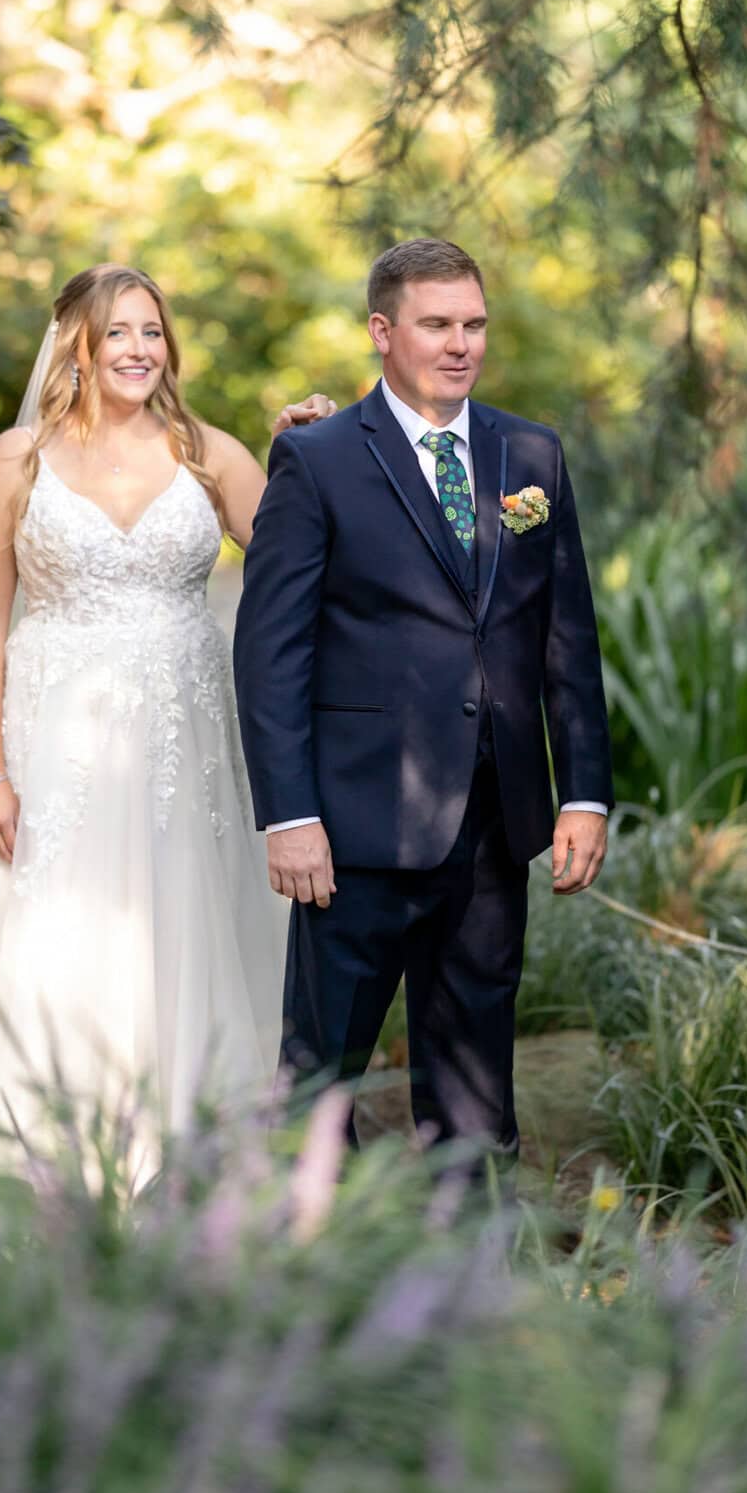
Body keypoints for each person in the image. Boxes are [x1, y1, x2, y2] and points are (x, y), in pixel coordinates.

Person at [0, 263, 333, 1170]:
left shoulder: (210, 453)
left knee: (179, 930)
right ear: (79, 350)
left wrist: (305, 452)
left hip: (188, 742)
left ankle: (174, 1159)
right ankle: (46, 1160)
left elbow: (307, 553)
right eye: (118, 334)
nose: (139, 349)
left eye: (152, 331)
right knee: (56, 934)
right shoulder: (16, 462)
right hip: (55, 738)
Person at [233, 237, 613, 1174]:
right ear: (382, 332)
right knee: (320, 1084)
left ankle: (473, 1293)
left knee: (479, 1095)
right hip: (353, 833)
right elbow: (270, 655)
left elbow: (567, 636)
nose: (460, 344)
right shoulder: (316, 462)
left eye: (474, 324)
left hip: (494, 826)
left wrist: (584, 793)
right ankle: (299, 1284)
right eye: (437, 324)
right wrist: (290, 815)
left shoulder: (531, 454)